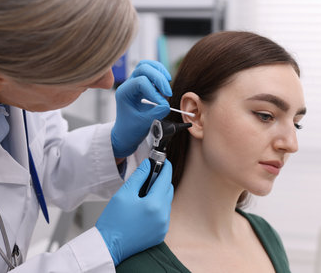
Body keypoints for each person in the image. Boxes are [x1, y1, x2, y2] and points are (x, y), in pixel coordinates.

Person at [0, 0, 174, 272]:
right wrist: (101, 249)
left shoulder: (17, 75)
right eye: (85, 75)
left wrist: (115, 145)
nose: (108, 81)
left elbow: (41, 160)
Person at [116, 31, 307, 273]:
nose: (291, 144)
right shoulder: (139, 264)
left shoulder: (266, 236)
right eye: (265, 116)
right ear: (194, 113)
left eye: (296, 123)